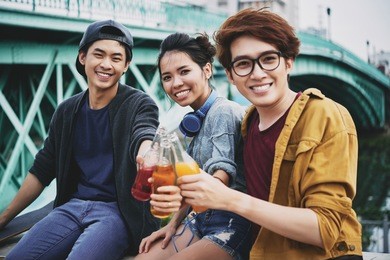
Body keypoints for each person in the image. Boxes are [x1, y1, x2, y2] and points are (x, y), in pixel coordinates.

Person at [175, 8, 363, 260]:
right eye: (243, 63)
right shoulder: (247, 122)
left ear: (288, 61)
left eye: (268, 58)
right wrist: (173, 224)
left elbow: (324, 229)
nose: (257, 73)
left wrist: (230, 199)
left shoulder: (325, 116)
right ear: (230, 75)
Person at [0, 19, 160, 259]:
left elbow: (144, 132)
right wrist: (4, 218)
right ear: (83, 57)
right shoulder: (66, 110)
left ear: (126, 65)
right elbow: (43, 169)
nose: (107, 64)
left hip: (117, 214)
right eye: (99, 54)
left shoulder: (139, 104)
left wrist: (147, 150)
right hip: (71, 207)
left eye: (116, 58)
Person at [135, 32, 252, 260]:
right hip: (200, 219)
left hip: (231, 223)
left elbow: (222, 174)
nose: (175, 83)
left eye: (184, 71)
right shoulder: (194, 120)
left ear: (207, 70)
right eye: (167, 77)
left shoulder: (223, 111)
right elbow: (193, 182)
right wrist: (172, 224)